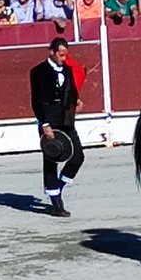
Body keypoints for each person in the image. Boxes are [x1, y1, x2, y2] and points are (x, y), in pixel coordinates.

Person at [29, 38, 85, 217]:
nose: (63, 58)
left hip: (66, 118)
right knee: (51, 159)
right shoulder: (37, 71)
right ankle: (55, 202)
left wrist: (76, 100)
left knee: (78, 157)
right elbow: (36, 100)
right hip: (49, 118)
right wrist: (44, 123)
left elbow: (71, 89)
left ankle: (59, 188)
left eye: (65, 55)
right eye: (60, 55)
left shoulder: (67, 69)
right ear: (51, 52)